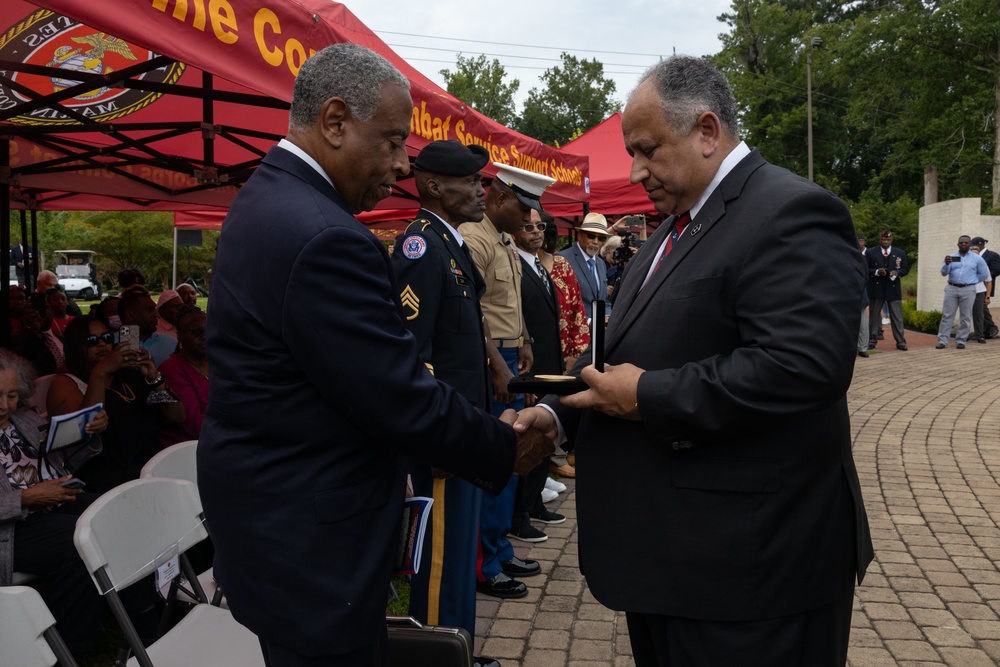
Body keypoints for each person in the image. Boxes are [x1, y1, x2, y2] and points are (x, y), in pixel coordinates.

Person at [197, 44, 551, 667]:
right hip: (310, 541)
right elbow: (394, 392)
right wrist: (504, 446)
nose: (399, 165)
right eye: (391, 141)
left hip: (274, 523)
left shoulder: (270, 199)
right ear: (335, 122)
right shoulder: (326, 235)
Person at [514, 55, 873, 666]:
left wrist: (649, 395)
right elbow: (621, 354)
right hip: (677, 564)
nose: (635, 169)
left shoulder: (789, 212)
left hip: (751, 572)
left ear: (707, 132)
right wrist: (556, 413)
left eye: (648, 149)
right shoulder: (672, 231)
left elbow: (803, 366)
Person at [390, 139, 505, 667]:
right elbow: (417, 351)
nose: (482, 191)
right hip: (444, 430)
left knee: (458, 548)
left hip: (464, 426)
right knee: (437, 554)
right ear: (435, 186)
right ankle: (433, 653)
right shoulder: (419, 246)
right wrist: (433, 430)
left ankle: (453, 648)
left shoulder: (449, 242)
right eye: (471, 182)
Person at [458, 163, 555, 591]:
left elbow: (510, 302)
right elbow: (470, 313)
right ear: (499, 198)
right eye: (523, 208)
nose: (528, 220)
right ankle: (485, 565)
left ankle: (499, 549)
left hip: (512, 353)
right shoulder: (472, 238)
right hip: (491, 360)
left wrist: (527, 341)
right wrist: (499, 364)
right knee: (495, 457)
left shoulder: (502, 241)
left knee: (511, 455)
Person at [0, 348, 107, 655]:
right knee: (79, 540)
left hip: (50, 503)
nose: (4, 405)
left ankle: (141, 618)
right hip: (12, 526)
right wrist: (26, 496)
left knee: (113, 514)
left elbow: (55, 461)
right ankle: (64, 650)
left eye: (11, 395)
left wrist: (86, 432)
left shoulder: (23, 418)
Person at [46, 316, 184, 493]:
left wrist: (155, 379)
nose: (102, 344)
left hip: (149, 464)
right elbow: (83, 433)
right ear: (76, 346)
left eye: (107, 338)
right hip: (104, 474)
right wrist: (101, 372)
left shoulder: (129, 375)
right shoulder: (65, 383)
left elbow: (177, 416)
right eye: (92, 340)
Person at [512, 208, 567, 527]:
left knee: (544, 441)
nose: (536, 231)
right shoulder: (515, 264)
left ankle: (534, 505)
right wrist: (528, 379)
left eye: (540, 226)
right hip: (532, 369)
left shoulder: (539, 264)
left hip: (550, 367)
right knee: (528, 442)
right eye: (528, 226)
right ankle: (520, 514)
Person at [157, 305, 209, 447]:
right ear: (179, 335)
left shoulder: (218, 362)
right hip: (186, 449)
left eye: (209, 329)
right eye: (197, 332)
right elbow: (193, 425)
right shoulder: (171, 370)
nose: (205, 336)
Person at [936, 235, 991, 349]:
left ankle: (961, 340)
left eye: (966, 242)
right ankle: (942, 340)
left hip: (968, 289)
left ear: (970, 244)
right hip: (952, 288)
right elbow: (943, 273)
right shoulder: (951, 257)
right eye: (961, 243)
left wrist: (973, 281)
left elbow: (984, 274)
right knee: (947, 316)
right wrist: (946, 264)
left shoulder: (977, 258)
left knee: (965, 316)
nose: (963, 244)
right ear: (958, 244)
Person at [864, 229, 909, 350]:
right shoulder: (870, 252)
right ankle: (872, 340)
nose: (885, 241)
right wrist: (877, 272)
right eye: (883, 239)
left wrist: (897, 272)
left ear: (892, 240)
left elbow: (905, 269)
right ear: (880, 240)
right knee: (874, 317)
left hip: (893, 289)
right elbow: (865, 269)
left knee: (897, 317)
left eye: (888, 239)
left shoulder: (900, 253)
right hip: (876, 288)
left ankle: (901, 342)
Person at [559, 212, 611, 314]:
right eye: (591, 236)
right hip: (575, 327)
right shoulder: (562, 259)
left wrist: (608, 317)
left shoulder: (601, 263)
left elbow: (604, 300)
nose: (596, 242)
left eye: (601, 238)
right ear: (580, 236)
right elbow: (561, 303)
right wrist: (588, 322)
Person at [117, 289, 176, 367]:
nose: (156, 315)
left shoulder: (170, 342)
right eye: (149, 309)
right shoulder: (110, 345)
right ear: (130, 315)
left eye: (155, 309)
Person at [971, 237, 1000, 338]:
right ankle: (985, 331)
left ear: (979, 245)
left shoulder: (992, 255)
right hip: (973, 287)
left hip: (985, 286)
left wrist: (982, 276)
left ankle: (992, 328)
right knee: (980, 310)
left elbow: (996, 270)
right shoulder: (972, 256)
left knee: (982, 308)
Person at [969, 244, 992, 343]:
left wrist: (987, 296)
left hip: (979, 292)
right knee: (965, 314)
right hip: (966, 292)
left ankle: (979, 335)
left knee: (979, 314)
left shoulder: (983, 264)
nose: (975, 256)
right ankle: (964, 334)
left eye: (977, 254)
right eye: (973, 254)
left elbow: (988, 281)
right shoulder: (965, 264)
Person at [856, 234, 870, 358]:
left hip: (859, 294)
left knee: (862, 324)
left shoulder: (861, 257)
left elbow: (866, 276)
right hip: (844, 295)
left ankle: (862, 348)